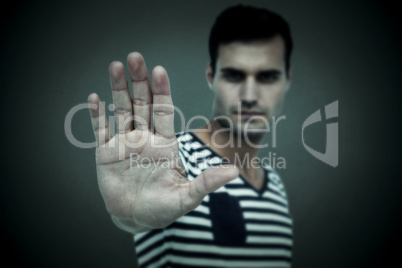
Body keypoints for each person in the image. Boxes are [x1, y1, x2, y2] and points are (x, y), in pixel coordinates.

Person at [88, 4, 293, 268]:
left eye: (267, 76)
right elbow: (135, 217)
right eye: (233, 75)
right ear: (211, 76)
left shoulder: (274, 184)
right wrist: (129, 218)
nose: (250, 95)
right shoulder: (171, 160)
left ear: (287, 80)